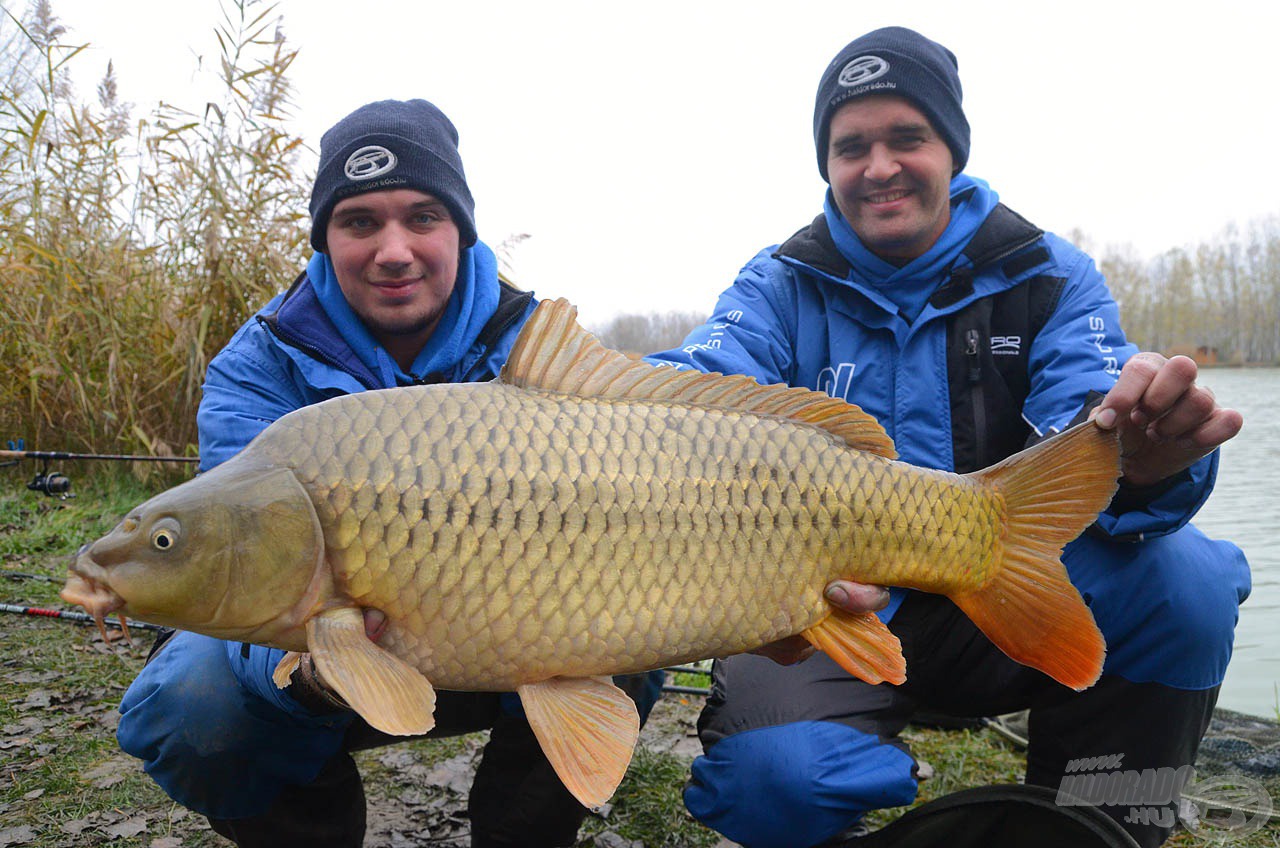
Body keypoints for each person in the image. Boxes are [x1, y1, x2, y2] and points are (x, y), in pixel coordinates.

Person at [647, 27, 1250, 848]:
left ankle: (1100, 823)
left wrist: (1137, 465)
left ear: (952, 149)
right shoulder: (780, 284)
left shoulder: (1048, 273)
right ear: (826, 164)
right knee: (771, 785)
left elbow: (1088, 412)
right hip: (828, 606)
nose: (879, 165)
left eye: (908, 137)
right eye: (850, 145)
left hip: (1004, 595)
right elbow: (693, 390)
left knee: (1189, 583)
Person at [115, 98, 665, 848]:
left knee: (632, 631)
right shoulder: (258, 368)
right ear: (326, 239)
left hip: (525, 633)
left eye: (423, 217)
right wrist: (310, 675)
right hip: (324, 652)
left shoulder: (536, 348)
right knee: (196, 702)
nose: (394, 248)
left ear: (461, 231)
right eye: (360, 222)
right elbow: (236, 573)